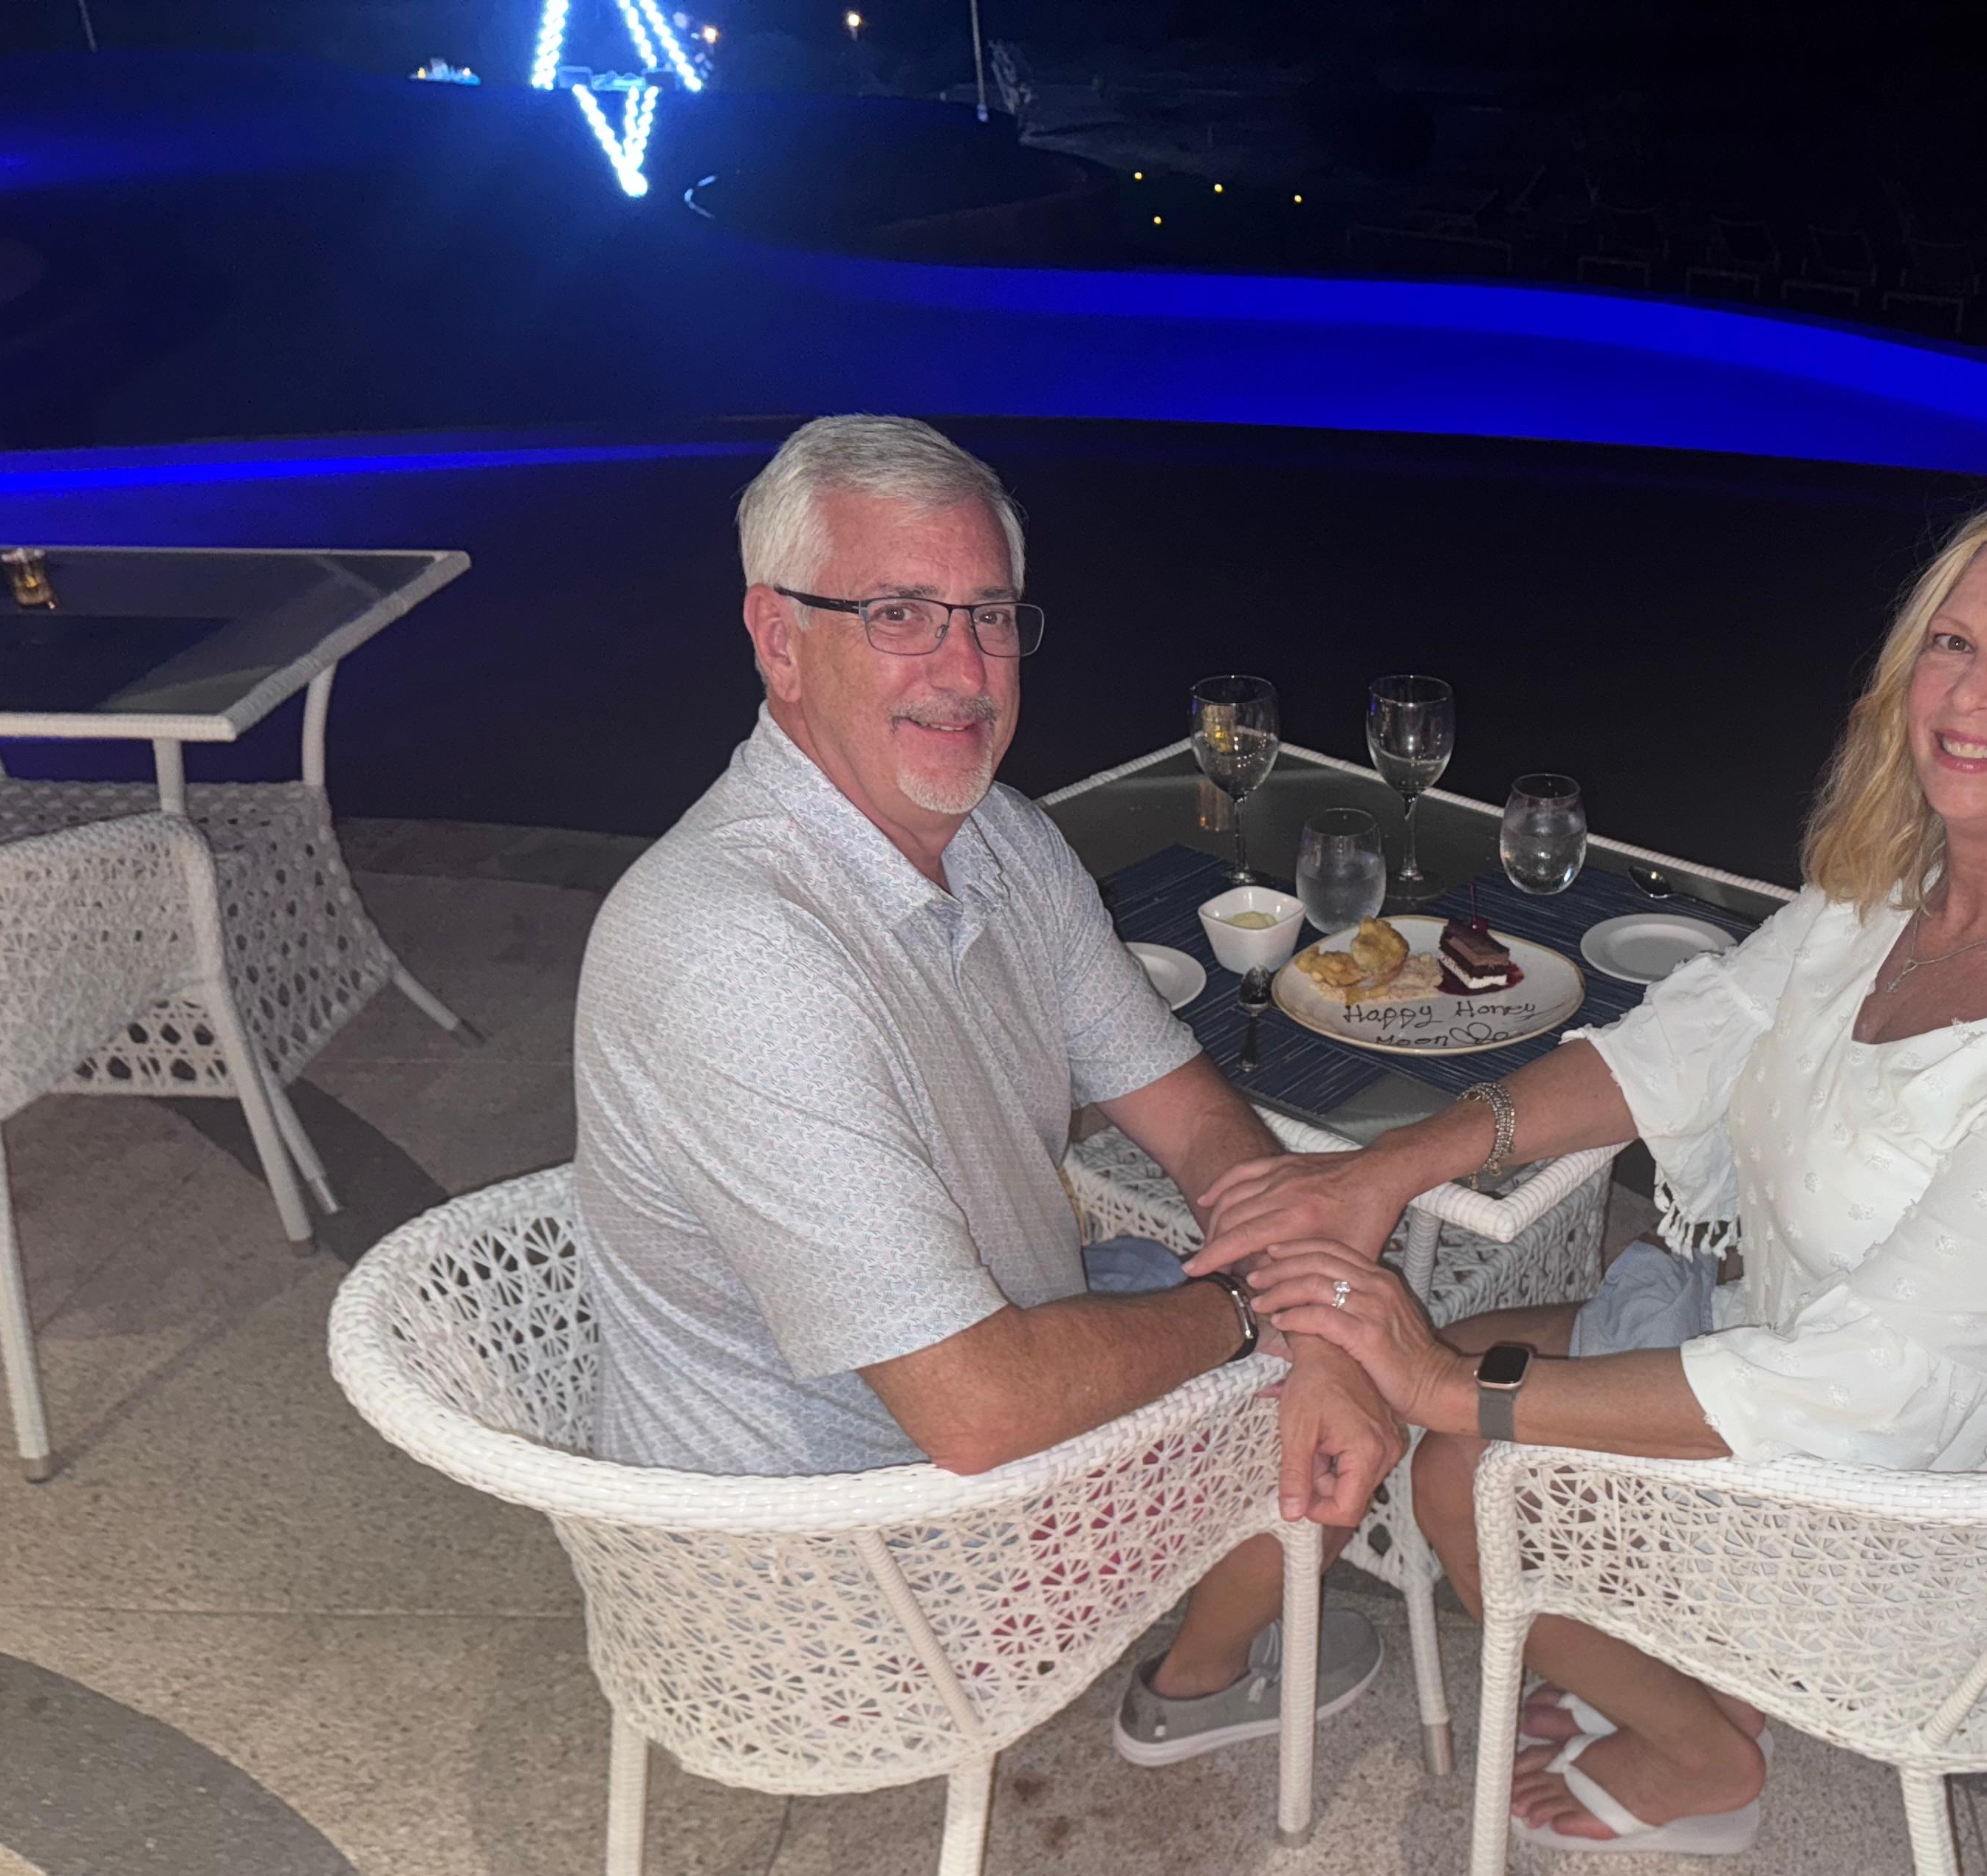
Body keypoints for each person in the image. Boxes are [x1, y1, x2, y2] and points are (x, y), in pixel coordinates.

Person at [1192, 484, 1987, 1852]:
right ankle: (1670, 1665)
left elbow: (1870, 1387)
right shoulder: (1896, 893)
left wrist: (1441, 1386)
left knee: (1461, 1460)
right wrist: (1387, 1169)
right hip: (1792, 1346)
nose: (1973, 694)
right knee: (1470, 1357)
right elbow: (1687, 1046)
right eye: (1953, 643)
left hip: (1959, 1509)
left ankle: (1701, 1757)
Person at [574, 414, 1402, 1768]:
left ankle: (1215, 1579)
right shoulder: (736, 951)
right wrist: (1273, 1315)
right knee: (1380, 1351)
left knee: (1326, 1310)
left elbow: (1188, 1112)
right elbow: (981, 1411)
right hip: (844, 1583)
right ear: (780, 640)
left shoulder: (998, 844)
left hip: (949, 1425)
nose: (965, 671)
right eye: (899, 614)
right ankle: (1199, 1680)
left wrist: (1291, 1299)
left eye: (992, 617)